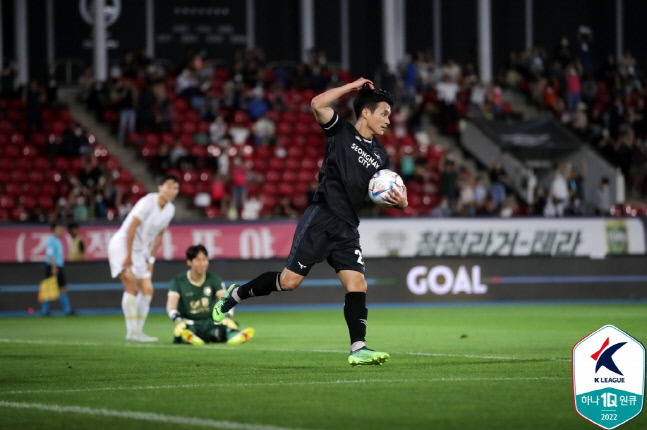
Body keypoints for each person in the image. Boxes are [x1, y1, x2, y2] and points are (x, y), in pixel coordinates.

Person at [212, 78, 408, 365]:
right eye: (384, 113)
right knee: (289, 282)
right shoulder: (340, 132)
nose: (388, 120)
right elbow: (317, 103)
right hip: (322, 217)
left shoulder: (380, 155)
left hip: (348, 228)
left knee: (358, 284)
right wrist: (352, 86)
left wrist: (400, 201)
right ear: (365, 112)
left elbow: (376, 194)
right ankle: (236, 293)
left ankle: (358, 348)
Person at [108, 174, 179, 342]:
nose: (172, 190)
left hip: (140, 251)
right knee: (131, 286)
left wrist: (151, 260)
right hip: (122, 245)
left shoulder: (170, 210)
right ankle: (131, 332)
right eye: (169, 186)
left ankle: (138, 332)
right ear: (160, 187)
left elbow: (160, 235)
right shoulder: (148, 202)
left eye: (175, 187)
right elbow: (131, 227)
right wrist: (127, 257)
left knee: (147, 290)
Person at [166, 245, 255, 346]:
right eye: (198, 260)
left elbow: (226, 299)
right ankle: (189, 337)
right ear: (189, 262)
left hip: (210, 323)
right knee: (184, 331)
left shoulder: (214, 279)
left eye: (205, 259)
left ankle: (233, 335)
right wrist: (178, 321)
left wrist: (227, 317)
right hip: (189, 323)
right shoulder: (178, 281)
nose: (203, 263)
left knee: (224, 328)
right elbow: (171, 306)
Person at [42, 221, 74, 316]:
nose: (61, 231)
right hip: (53, 267)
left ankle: (67, 310)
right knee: (49, 287)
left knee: (61, 288)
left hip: (58, 266)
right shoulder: (51, 241)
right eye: (59, 229)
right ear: (54, 230)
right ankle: (45, 311)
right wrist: (54, 267)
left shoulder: (57, 240)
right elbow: (50, 255)